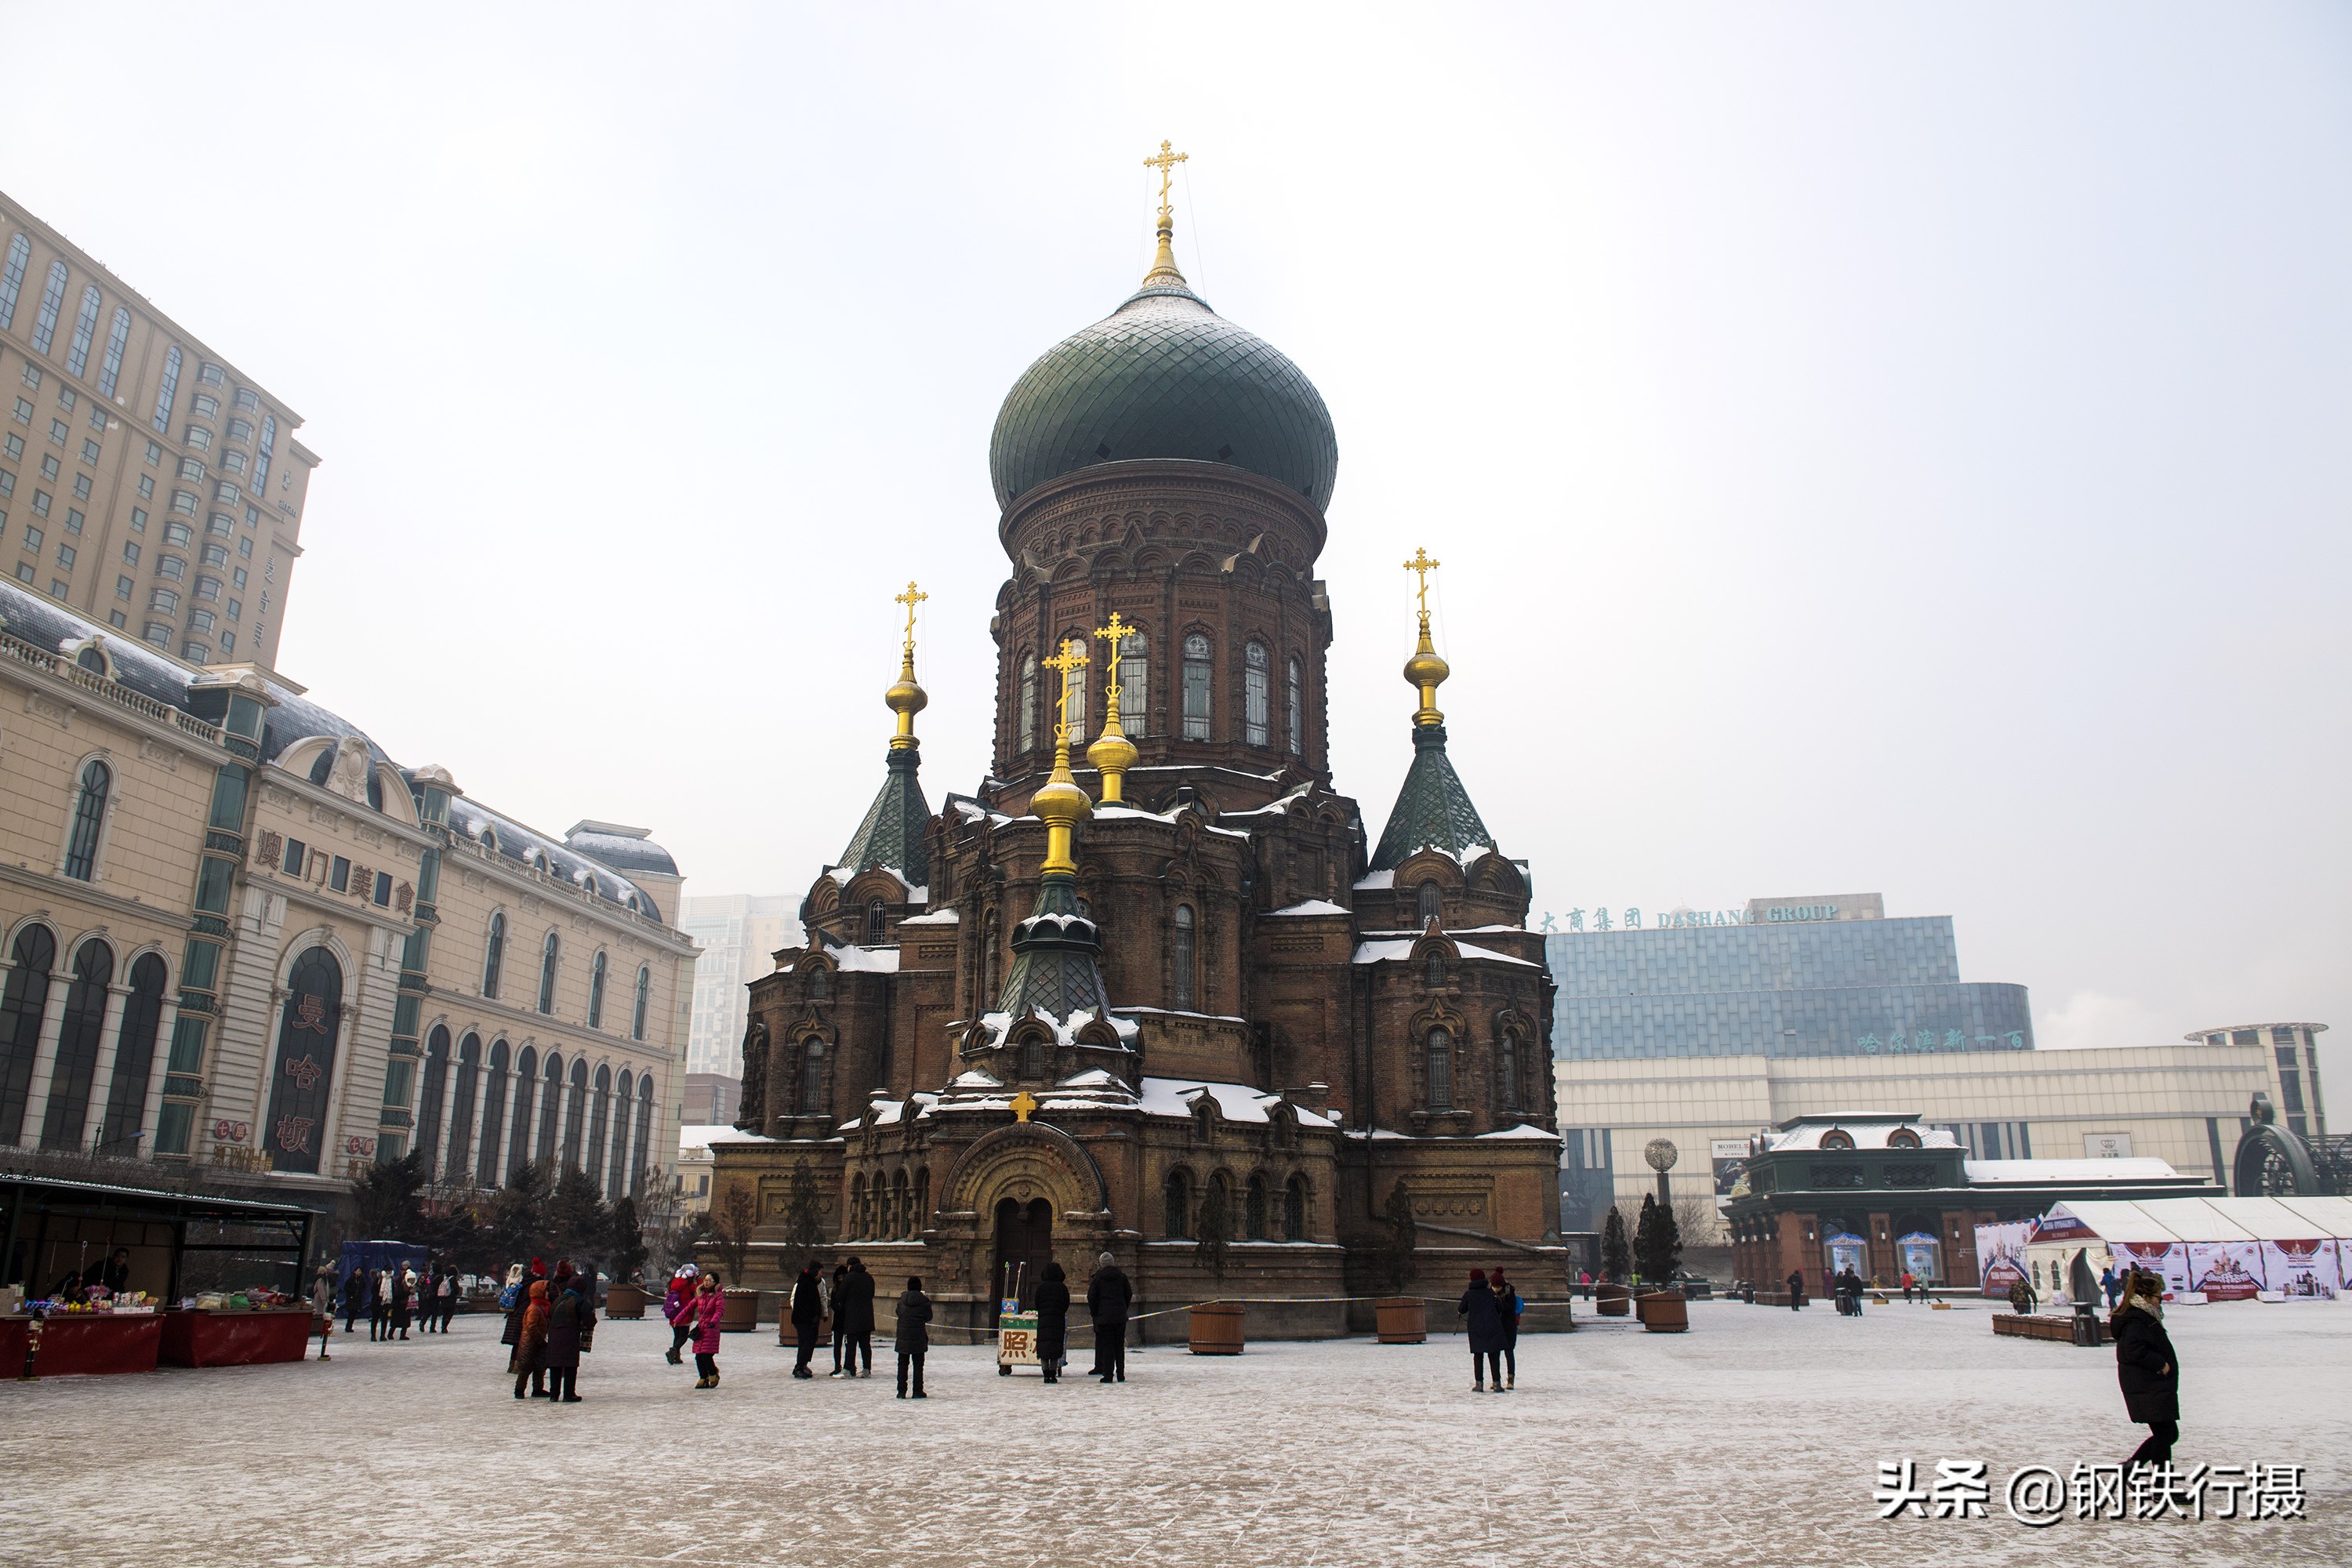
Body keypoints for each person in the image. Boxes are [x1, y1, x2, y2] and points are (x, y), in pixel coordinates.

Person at [2111, 1269, 2179, 1468]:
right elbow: (2133, 1350)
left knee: (2167, 1434)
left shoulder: (2142, 1316)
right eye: (2159, 1298)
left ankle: (2132, 1467)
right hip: (2148, 1386)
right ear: (2146, 1297)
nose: (2161, 1302)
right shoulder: (2137, 1319)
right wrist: (2161, 1364)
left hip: (2148, 1386)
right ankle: (2161, 1487)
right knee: (2165, 1435)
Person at [1086, 1251, 1131, 1384]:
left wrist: (1096, 1313)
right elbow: (1128, 1294)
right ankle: (1121, 1374)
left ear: (1101, 1264)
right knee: (1119, 1346)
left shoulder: (1097, 1279)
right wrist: (1123, 1308)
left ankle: (1108, 1375)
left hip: (1104, 1318)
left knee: (1107, 1347)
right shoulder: (1122, 1277)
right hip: (1120, 1317)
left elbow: (1091, 1297)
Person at [1459, 1269, 1505, 1392]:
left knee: (1478, 1356)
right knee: (1494, 1356)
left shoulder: (1469, 1294)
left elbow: (1462, 1309)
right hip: (1492, 1326)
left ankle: (1479, 1385)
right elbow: (1501, 1307)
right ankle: (1497, 1384)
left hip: (1476, 1329)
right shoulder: (1490, 1293)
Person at [546, 1275, 585, 1403]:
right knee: (570, 1365)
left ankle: (554, 1394)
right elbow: (588, 1316)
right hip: (570, 1337)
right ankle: (569, 1394)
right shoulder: (578, 1300)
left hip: (555, 1336)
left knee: (555, 1365)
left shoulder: (559, 1299)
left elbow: (550, 1313)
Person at [837, 1257, 876, 1378]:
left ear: (850, 1266)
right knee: (865, 1345)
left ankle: (848, 1369)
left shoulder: (848, 1278)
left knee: (851, 1345)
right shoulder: (869, 1277)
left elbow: (840, 1296)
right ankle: (867, 1369)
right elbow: (871, 1294)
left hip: (852, 1317)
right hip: (867, 1317)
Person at [895, 1275, 932, 1399]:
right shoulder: (924, 1301)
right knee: (918, 1364)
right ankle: (917, 1390)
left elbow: (898, 1312)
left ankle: (901, 1391)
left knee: (902, 1364)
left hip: (903, 1336)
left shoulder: (901, 1300)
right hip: (918, 1336)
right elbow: (928, 1317)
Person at [1034, 1260, 1071, 1384]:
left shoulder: (1041, 1287)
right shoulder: (1062, 1287)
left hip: (1044, 1321)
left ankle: (1045, 1374)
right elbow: (1066, 1303)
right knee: (1055, 1349)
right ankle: (1053, 1375)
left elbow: (1037, 1303)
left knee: (1044, 1350)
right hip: (1057, 1320)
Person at [513, 1280, 550, 1399]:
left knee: (539, 1366)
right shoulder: (534, 1308)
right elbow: (531, 1326)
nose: (548, 1293)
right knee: (525, 1368)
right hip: (530, 1343)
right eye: (546, 1291)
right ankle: (519, 1390)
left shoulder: (541, 1307)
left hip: (536, 1343)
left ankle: (538, 1389)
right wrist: (540, 1340)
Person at [789, 1263, 825, 1378]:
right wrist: (812, 1316)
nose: (821, 1275)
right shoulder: (805, 1283)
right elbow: (802, 1303)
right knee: (806, 1343)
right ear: (815, 1272)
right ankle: (799, 1366)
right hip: (804, 1320)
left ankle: (802, 1364)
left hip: (809, 1320)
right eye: (820, 1272)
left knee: (810, 1341)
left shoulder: (812, 1283)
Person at [691, 1273, 725, 1389]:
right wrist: (677, 1319)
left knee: (706, 1355)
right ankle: (703, 1377)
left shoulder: (718, 1296)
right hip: (701, 1329)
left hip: (711, 1329)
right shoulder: (700, 1295)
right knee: (698, 1356)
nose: (706, 1282)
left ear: (715, 1282)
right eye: (705, 1280)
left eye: (709, 1281)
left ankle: (713, 1373)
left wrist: (713, 1321)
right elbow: (689, 1307)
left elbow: (719, 1310)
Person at [1491, 1267, 1523, 1390]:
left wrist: (1500, 1304)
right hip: (1496, 1327)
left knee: (1509, 1353)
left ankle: (1511, 1380)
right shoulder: (1490, 1292)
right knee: (1495, 1354)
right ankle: (1496, 1379)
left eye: (1497, 1286)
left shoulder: (1510, 1292)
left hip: (1509, 1327)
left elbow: (1510, 1308)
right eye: (1494, 1286)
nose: (1495, 1288)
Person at [664, 1265, 699, 1366]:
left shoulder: (674, 1282)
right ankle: (673, 1351)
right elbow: (701, 1290)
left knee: (677, 1335)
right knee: (683, 1336)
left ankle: (676, 1357)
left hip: (673, 1313)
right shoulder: (689, 1284)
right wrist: (699, 1278)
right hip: (684, 1313)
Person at [827, 1262, 850, 1376]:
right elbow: (833, 1303)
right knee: (837, 1345)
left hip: (847, 1319)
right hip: (839, 1320)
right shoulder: (835, 1289)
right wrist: (838, 1307)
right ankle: (837, 1365)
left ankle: (848, 1365)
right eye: (839, 1277)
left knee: (848, 1345)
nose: (841, 1279)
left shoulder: (847, 1289)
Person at [310, 1266, 336, 1361]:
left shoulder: (322, 1279)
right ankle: (316, 1328)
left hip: (321, 1300)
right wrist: (324, 1299)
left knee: (320, 1314)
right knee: (318, 1313)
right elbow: (321, 1290)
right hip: (319, 1300)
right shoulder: (321, 1280)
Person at [342, 1268, 368, 1337]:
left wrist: (360, 1291)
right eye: (358, 1271)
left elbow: (364, 1287)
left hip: (357, 1298)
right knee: (351, 1312)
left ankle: (350, 1326)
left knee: (354, 1313)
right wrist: (352, 1291)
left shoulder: (361, 1279)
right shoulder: (351, 1279)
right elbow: (346, 1287)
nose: (360, 1272)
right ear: (355, 1271)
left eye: (361, 1271)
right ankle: (348, 1327)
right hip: (351, 1298)